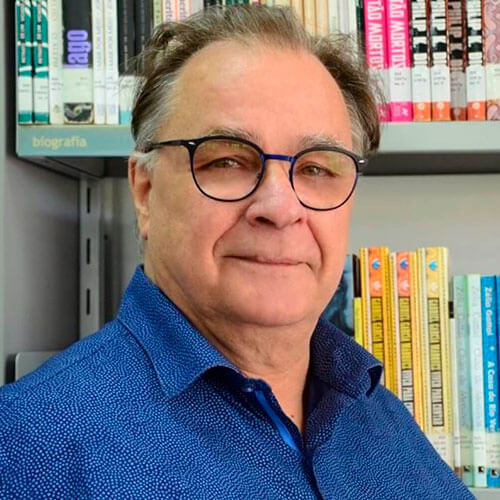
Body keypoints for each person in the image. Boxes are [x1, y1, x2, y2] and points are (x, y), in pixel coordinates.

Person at [0, 6, 473, 499]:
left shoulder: (382, 417)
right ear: (144, 191)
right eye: (227, 160)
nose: (280, 208)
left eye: (316, 169)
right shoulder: (23, 450)